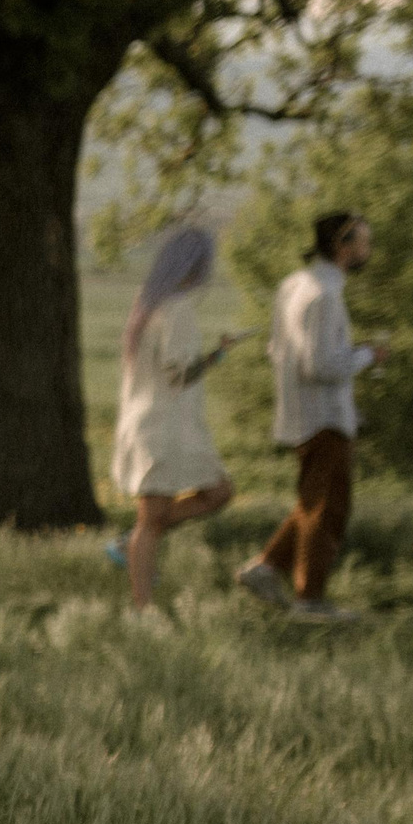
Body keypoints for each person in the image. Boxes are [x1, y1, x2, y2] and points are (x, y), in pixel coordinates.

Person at [237, 211, 386, 621]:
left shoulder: (293, 285)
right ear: (342, 247)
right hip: (324, 418)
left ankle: (266, 568)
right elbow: (320, 366)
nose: (367, 251)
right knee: (328, 510)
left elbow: (277, 350)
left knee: (312, 503)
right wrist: (367, 355)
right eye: (363, 243)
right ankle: (310, 600)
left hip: (301, 413)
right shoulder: (324, 294)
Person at [107, 227, 241, 610]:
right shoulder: (178, 308)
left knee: (209, 495)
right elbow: (178, 374)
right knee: (166, 516)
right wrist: (215, 357)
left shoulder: (146, 303)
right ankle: (141, 607)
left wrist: (213, 354)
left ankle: (130, 550)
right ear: (197, 266)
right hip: (161, 430)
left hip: (147, 424)